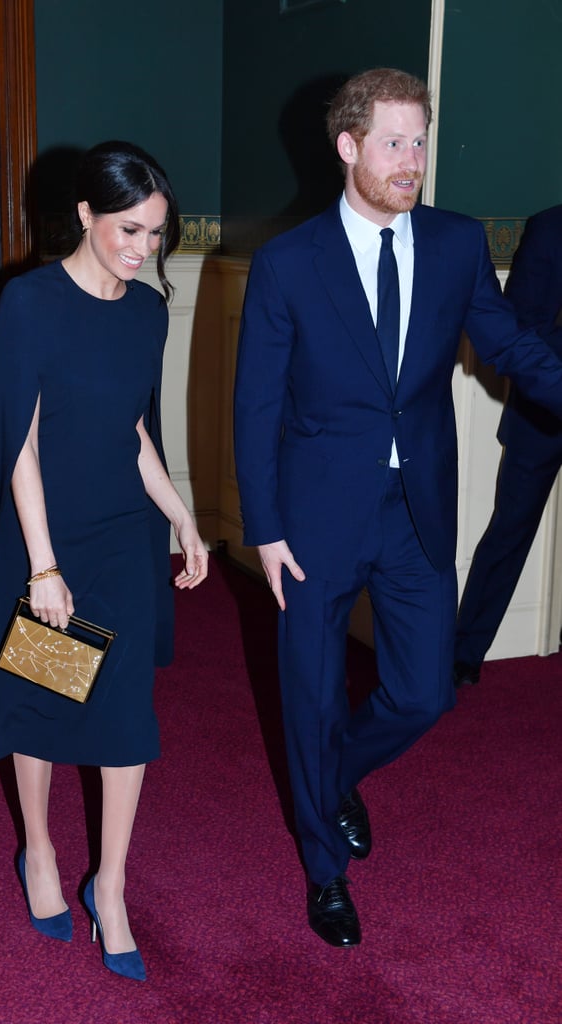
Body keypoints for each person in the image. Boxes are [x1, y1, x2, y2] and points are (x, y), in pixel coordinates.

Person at [233, 68, 562, 948]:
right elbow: (256, 404)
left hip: (416, 506)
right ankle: (323, 871)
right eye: (393, 142)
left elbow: (508, 346)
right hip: (311, 517)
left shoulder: (455, 245)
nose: (412, 161)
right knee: (307, 693)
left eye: (420, 142)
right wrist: (261, 525)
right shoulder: (288, 261)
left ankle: (332, 775)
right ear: (348, 147)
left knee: (424, 695)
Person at [0, 141, 208, 981]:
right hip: (47, 542)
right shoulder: (30, 304)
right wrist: (43, 565)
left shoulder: (144, 311)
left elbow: (135, 431)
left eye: (157, 235)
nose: (142, 249)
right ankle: (40, 854)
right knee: (47, 702)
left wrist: (183, 519)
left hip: (123, 540)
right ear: (87, 215)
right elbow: (17, 440)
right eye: (128, 230)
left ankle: (115, 884)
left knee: (128, 717)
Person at [454, 205, 562, 686]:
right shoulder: (549, 226)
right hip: (542, 414)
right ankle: (464, 654)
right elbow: (517, 326)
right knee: (509, 532)